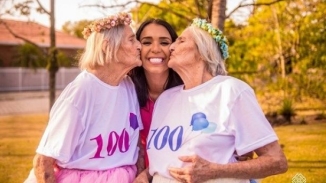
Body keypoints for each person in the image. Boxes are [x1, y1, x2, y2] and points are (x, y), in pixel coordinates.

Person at [145, 18, 288, 183]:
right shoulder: (165, 99)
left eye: (181, 41)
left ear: (203, 51)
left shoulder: (231, 90)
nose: (171, 47)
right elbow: (169, 156)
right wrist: (148, 174)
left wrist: (214, 171)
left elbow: (277, 161)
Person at [24, 12, 143, 183]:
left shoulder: (128, 86)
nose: (139, 46)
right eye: (131, 40)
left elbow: (136, 146)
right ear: (107, 46)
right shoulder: (81, 92)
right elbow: (43, 161)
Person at [128, 19, 183, 173]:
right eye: (147, 42)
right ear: (138, 48)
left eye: (164, 43)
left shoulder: (189, 90)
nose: (156, 49)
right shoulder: (125, 90)